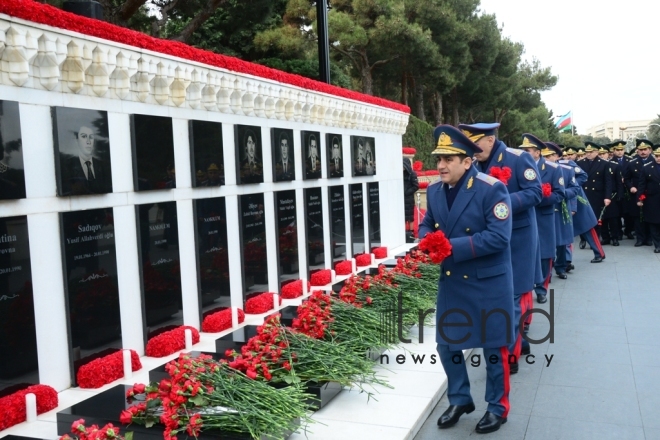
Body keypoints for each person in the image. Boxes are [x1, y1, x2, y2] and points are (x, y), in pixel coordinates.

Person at [419, 125, 514, 434]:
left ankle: (497, 407)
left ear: (467, 161)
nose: (441, 166)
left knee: (492, 347)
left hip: (487, 282)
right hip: (453, 280)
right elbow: (426, 225)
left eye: (449, 159)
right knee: (446, 345)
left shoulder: (491, 189)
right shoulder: (434, 191)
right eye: (439, 159)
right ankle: (460, 399)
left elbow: (499, 237)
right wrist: (427, 242)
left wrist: (450, 247)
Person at [458, 122, 541, 373]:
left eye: (476, 145)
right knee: (497, 298)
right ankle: (520, 342)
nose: (472, 151)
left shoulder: (518, 159)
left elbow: (535, 192)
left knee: (511, 298)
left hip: (518, 241)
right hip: (491, 241)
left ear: (490, 141)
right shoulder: (475, 164)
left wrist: (501, 202)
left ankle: (510, 359)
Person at [519, 133, 565, 304]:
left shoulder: (553, 169)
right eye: (522, 149)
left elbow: (559, 194)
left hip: (543, 217)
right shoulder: (520, 167)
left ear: (537, 153)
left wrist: (540, 198)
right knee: (526, 253)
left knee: (545, 255)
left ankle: (541, 289)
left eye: (527, 150)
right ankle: (526, 286)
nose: (524, 153)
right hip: (525, 217)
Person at [544, 142, 579, 278]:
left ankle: (561, 267)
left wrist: (562, 193)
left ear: (557, 156)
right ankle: (546, 270)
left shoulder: (566, 170)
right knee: (546, 240)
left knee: (562, 240)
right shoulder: (538, 169)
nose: (547, 159)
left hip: (561, 208)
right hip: (545, 209)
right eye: (545, 156)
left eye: (550, 156)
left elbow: (575, 188)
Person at [62, 125, 111, 195]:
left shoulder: (103, 165)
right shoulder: (67, 166)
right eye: (84, 136)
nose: (88, 142)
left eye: (91, 137)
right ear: (76, 140)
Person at [580, 142, 612, 243]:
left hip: (597, 195)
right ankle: (583, 239)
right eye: (587, 152)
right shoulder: (580, 163)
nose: (588, 154)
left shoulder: (604, 163)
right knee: (583, 217)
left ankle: (595, 239)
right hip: (583, 194)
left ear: (597, 152)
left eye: (591, 152)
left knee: (596, 218)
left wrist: (607, 197)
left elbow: (608, 181)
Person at [624, 139, 654, 246]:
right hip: (636, 193)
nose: (643, 152)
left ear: (650, 150)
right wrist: (630, 187)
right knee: (637, 216)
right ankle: (640, 238)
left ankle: (649, 238)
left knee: (650, 216)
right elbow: (626, 178)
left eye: (645, 149)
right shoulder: (632, 163)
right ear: (637, 150)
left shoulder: (655, 161)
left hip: (651, 194)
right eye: (640, 150)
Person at [610, 140, 635, 240]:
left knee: (628, 212)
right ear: (614, 151)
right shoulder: (610, 162)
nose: (620, 152)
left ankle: (628, 230)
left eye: (621, 150)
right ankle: (619, 231)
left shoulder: (630, 161)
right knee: (617, 213)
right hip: (616, 189)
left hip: (628, 189)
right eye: (617, 150)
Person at [637, 145, 660, 252]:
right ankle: (657, 245)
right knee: (653, 222)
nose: (658, 158)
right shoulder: (647, 167)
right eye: (657, 156)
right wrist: (640, 198)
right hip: (652, 199)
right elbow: (642, 184)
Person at [600, 144, 624, 245]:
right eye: (600, 154)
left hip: (612, 195)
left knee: (613, 218)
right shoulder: (597, 165)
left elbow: (619, 182)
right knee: (602, 218)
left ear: (608, 154)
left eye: (604, 153)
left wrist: (620, 194)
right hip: (600, 194)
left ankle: (615, 237)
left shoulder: (614, 165)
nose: (602, 156)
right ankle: (605, 237)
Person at [403, 157, 419, 243]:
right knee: (403, 216)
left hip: (408, 197)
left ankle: (411, 232)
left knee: (410, 216)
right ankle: (404, 232)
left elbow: (416, 186)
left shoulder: (412, 174)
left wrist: (407, 192)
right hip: (402, 198)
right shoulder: (400, 174)